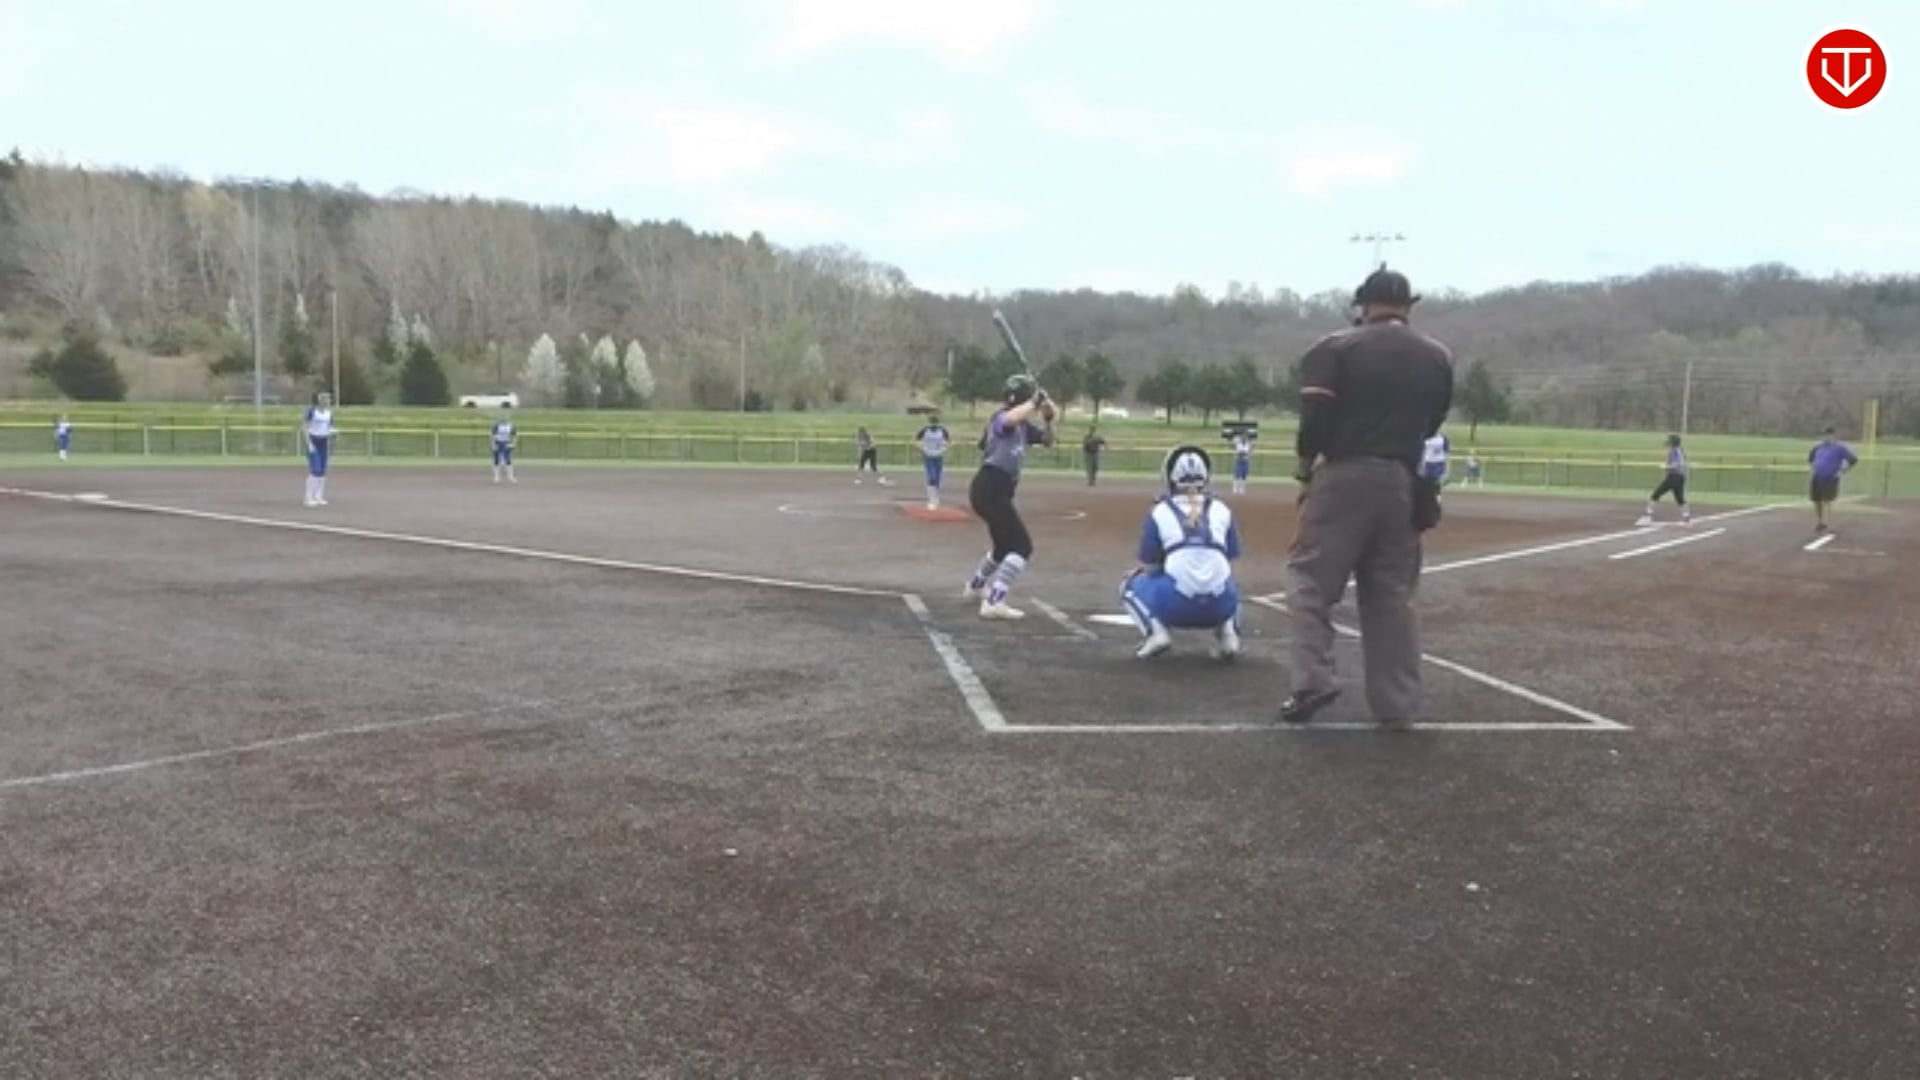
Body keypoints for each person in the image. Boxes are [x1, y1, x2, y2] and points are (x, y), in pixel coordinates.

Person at [1281, 266, 1454, 726]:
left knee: (1308, 581)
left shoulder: (1334, 349)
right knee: (1392, 597)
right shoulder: (1438, 357)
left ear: (1363, 305)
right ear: (1407, 307)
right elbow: (1432, 425)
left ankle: (1313, 681)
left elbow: (1314, 422)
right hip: (1403, 482)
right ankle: (1397, 706)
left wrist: (1305, 468)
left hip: (1343, 475)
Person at [1121, 445, 1243, 661]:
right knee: (1228, 581)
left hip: (1176, 606)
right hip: (1220, 606)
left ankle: (1156, 634)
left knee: (1129, 585)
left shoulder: (1159, 511)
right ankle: (1228, 636)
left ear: (1170, 477)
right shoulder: (1222, 509)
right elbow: (1230, 555)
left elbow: (1151, 565)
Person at [963, 374, 1057, 620]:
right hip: (990, 486)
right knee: (1022, 546)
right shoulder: (1001, 418)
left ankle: (976, 586)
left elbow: (1048, 441)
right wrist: (1035, 402)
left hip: (996, 490)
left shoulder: (1024, 427)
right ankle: (995, 600)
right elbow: (1010, 419)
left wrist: (1048, 419)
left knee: (1003, 547)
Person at [1808, 426, 1858, 534]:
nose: (1824, 438)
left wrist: (1842, 471)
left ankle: (1824, 523)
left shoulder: (1839, 448)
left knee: (1826, 500)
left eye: (1826, 435)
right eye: (1823, 435)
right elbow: (1811, 459)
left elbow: (1853, 460)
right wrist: (1813, 470)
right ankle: (1820, 520)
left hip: (1830, 477)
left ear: (1832, 436)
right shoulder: (1817, 448)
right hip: (1817, 476)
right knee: (1816, 500)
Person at [1636, 434, 1691, 526]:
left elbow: (1677, 464)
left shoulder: (1675, 451)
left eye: (1670, 441)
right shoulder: (1680, 450)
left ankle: (1648, 516)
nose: (1668, 442)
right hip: (1679, 477)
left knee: (1655, 495)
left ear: (1673, 442)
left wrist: (1666, 466)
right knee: (1679, 498)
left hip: (1674, 476)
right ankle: (1686, 516)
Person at [301, 391, 337, 508]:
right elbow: (305, 428)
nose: (327, 401)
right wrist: (309, 444)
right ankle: (308, 497)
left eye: (328, 399)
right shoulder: (312, 411)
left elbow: (330, 427)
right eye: (325, 398)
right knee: (315, 469)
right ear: (319, 400)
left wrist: (332, 434)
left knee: (322, 471)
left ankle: (318, 496)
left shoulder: (329, 413)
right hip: (314, 440)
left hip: (324, 442)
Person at [915, 414, 951, 510]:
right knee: (932, 477)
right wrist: (923, 449)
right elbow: (917, 440)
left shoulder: (942, 431)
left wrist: (943, 449)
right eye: (932, 424)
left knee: (938, 478)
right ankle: (931, 499)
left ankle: (936, 497)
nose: (933, 426)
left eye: (935, 424)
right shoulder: (925, 430)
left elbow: (948, 441)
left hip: (938, 456)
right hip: (929, 456)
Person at [491, 408, 518, 484]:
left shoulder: (511, 426)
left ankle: (511, 476)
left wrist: (513, 444)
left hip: (506, 443)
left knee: (508, 460)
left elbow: (514, 435)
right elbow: (493, 435)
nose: (504, 419)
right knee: (496, 460)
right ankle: (496, 477)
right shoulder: (496, 425)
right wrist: (493, 444)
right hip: (498, 442)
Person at [1229, 429, 1254, 495]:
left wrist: (1248, 456)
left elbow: (1251, 452)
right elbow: (1232, 446)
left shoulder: (1249, 444)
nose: (1244, 438)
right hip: (1239, 461)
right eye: (1243, 436)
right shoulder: (1238, 443)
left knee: (1244, 476)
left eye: (1245, 436)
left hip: (1245, 461)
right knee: (1237, 475)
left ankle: (1242, 488)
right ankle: (1235, 488)